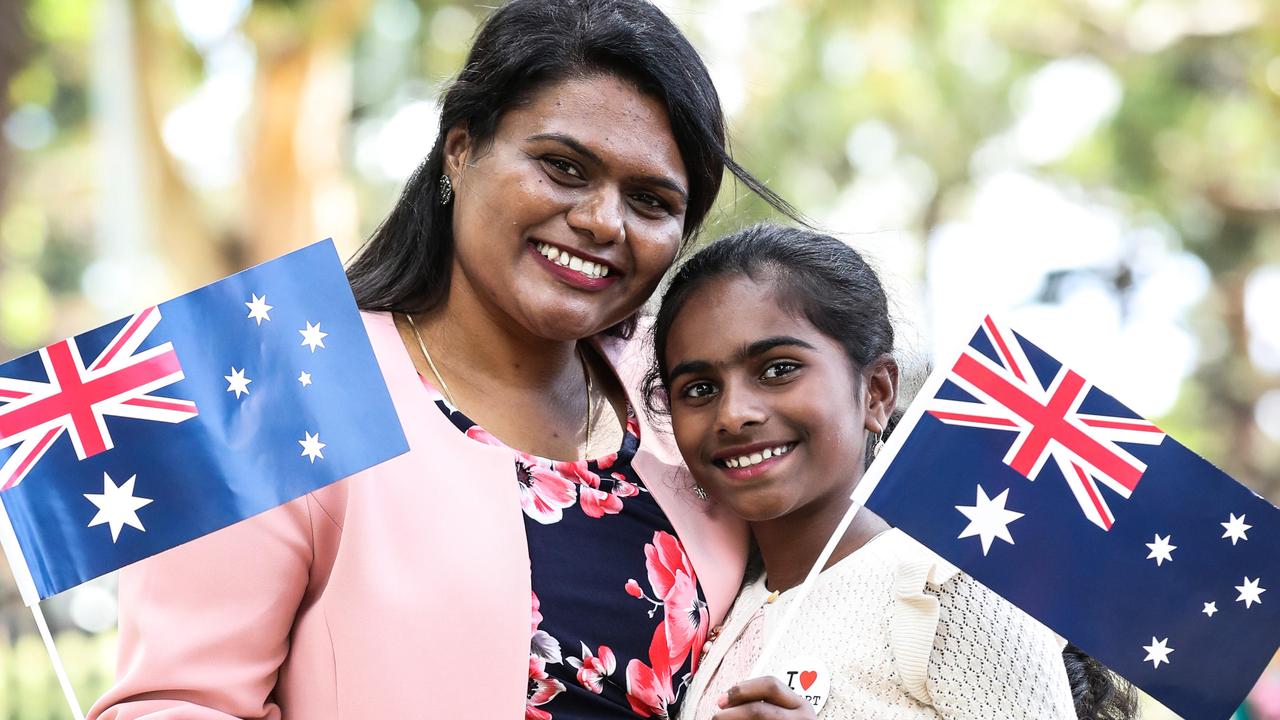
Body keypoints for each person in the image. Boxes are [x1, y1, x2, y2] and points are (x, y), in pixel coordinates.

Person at [88, 2, 797, 718]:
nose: (602, 221)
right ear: (460, 148)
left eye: (649, 201)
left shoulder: (692, 402)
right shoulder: (276, 381)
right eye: (562, 167)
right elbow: (169, 704)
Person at [646, 224, 1138, 719]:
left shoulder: (941, 586)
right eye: (699, 388)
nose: (733, 414)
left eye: (778, 369)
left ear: (877, 392)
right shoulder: (714, 605)